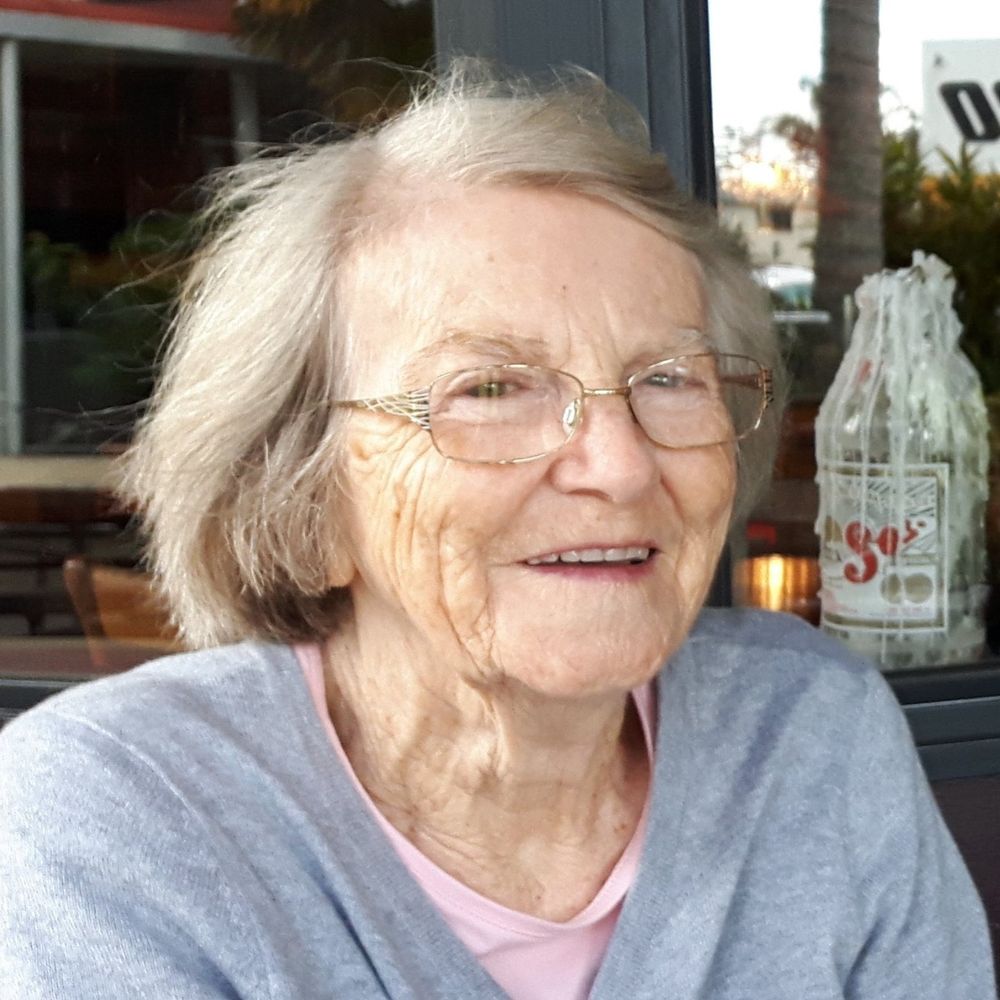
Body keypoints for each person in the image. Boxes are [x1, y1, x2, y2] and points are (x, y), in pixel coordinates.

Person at [0, 64, 994, 1000]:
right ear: (302, 494)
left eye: (668, 378)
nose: (620, 464)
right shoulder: (117, 816)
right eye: (488, 389)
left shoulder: (812, 729)